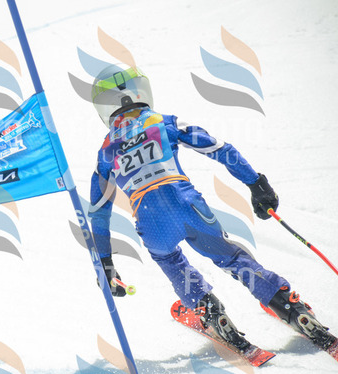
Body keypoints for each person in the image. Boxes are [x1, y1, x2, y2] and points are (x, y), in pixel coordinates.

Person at [88, 64, 336, 353]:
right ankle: (290, 308)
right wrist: (256, 183)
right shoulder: (164, 122)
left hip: (151, 223)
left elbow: (99, 212)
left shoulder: (106, 151)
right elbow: (220, 150)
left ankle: (209, 312)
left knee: (170, 260)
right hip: (189, 207)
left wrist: (105, 263)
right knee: (232, 258)